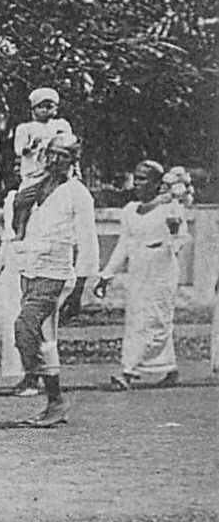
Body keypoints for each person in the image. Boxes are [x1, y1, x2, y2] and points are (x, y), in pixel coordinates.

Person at [8, 131, 98, 428]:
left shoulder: (77, 193)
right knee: (46, 338)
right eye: (53, 153)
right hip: (30, 268)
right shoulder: (35, 187)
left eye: (65, 155)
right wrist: (19, 204)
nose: (57, 159)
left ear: (74, 160)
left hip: (56, 272)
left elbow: (88, 242)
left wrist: (80, 289)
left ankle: (39, 382)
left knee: (25, 326)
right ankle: (55, 401)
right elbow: (19, 228)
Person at [93, 160, 186, 389]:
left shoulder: (170, 208)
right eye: (136, 178)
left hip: (161, 269)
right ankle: (168, 367)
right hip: (138, 270)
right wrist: (107, 275)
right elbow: (123, 244)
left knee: (156, 319)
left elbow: (180, 242)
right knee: (136, 320)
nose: (137, 183)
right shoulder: (129, 210)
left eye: (144, 179)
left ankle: (128, 371)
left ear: (156, 183)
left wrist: (174, 231)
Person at [0, 192, 49, 396]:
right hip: (10, 270)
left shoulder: (47, 197)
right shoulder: (12, 198)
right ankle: (26, 371)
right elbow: (7, 241)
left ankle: (32, 376)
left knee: (25, 325)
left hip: (33, 270)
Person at [14, 87, 73, 186]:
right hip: (34, 172)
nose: (45, 110)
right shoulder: (26, 128)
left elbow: (70, 145)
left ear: (56, 109)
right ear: (33, 110)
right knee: (27, 198)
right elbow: (19, 150)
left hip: (58, 172)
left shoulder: (62, 125)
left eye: (49, 106)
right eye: (40, 107)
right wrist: (31, 147)